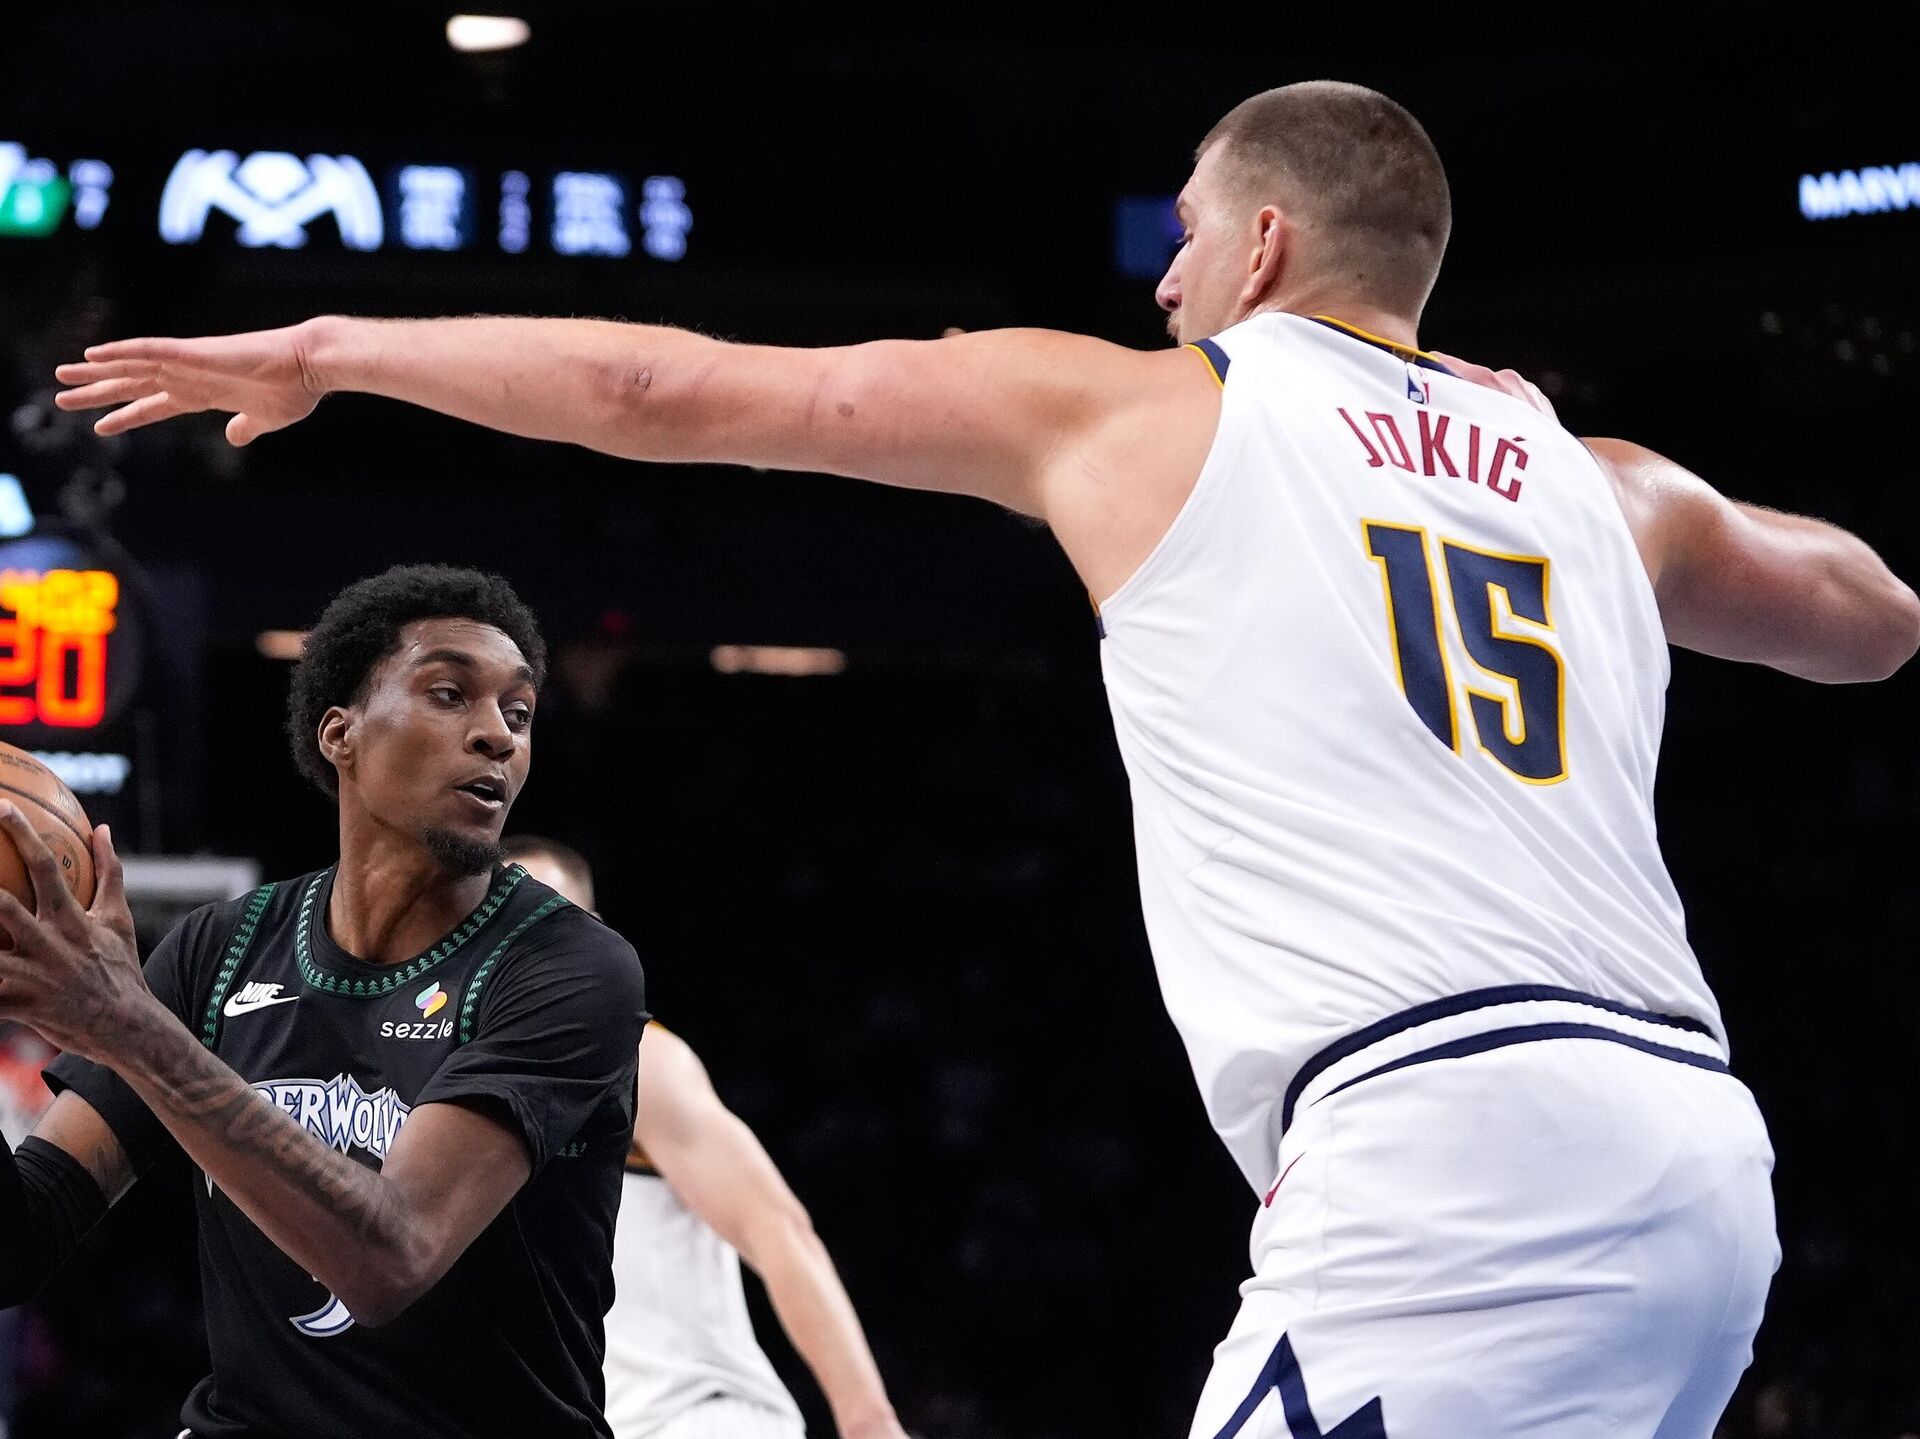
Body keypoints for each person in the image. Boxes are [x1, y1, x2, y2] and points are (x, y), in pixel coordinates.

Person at [50, 80, 1920, 1438]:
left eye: (1187, 235)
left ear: (1265, 244)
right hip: (1699, 1149)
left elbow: (669, 389)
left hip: (1454, 1148)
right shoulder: (1598, 482)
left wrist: (337, 347)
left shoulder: (1152, 408)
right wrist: (1596, 500)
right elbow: (1875, 616)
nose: (1168, 281)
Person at [0, 564, 648, 1439]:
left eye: (520, 712)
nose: (497, 734)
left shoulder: (570, 966)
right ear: (340, 732)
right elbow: (20, 1240)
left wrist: (130, 1028)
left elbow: (390, 1257)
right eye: (450, 693)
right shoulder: (221, 948)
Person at [502, 836, 906, 1439]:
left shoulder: (636, 1061)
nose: (531, 944)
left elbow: (776, 1230)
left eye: (553, 921)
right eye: (508, 923)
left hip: (699, 1417)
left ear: (594, 938)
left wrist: (870, 1423)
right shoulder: (447, 1093)